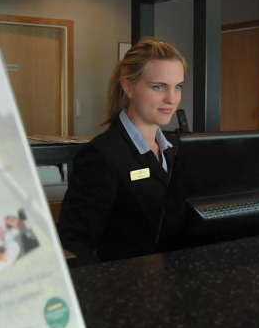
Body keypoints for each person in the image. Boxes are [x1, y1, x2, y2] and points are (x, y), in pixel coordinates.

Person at [57, 37, 186, 265]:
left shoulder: (176, 149)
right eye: (158, 87)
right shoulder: (102, 154)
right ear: (128, 87)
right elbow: (73, 242)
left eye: (178, 87)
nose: (171, 99)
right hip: (127, 281)